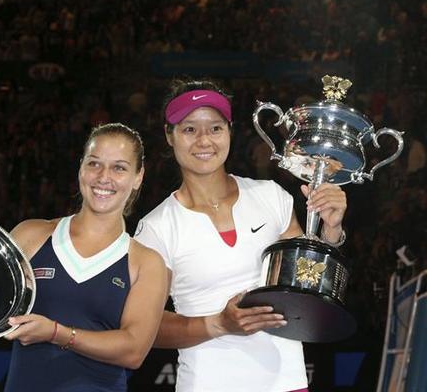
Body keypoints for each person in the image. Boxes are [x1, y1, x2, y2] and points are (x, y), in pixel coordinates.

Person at [134, 79, 348, 392]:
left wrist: (331, 229)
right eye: (189, 129)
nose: (204, 140)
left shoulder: (271, 196)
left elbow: (307, 287)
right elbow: (144, 327)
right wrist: (218, 324)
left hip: (286, 383)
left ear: (229, 131)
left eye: (215, 128)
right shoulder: (156, 227)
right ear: (170, 135)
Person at [3, 123, 168, 392]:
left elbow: (134, 351)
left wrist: (57, 333)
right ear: (81, 167)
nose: (104, 177)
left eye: (119, 168)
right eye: (94, 164)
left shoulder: (145, 262)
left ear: (138, 177)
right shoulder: (31, 235)